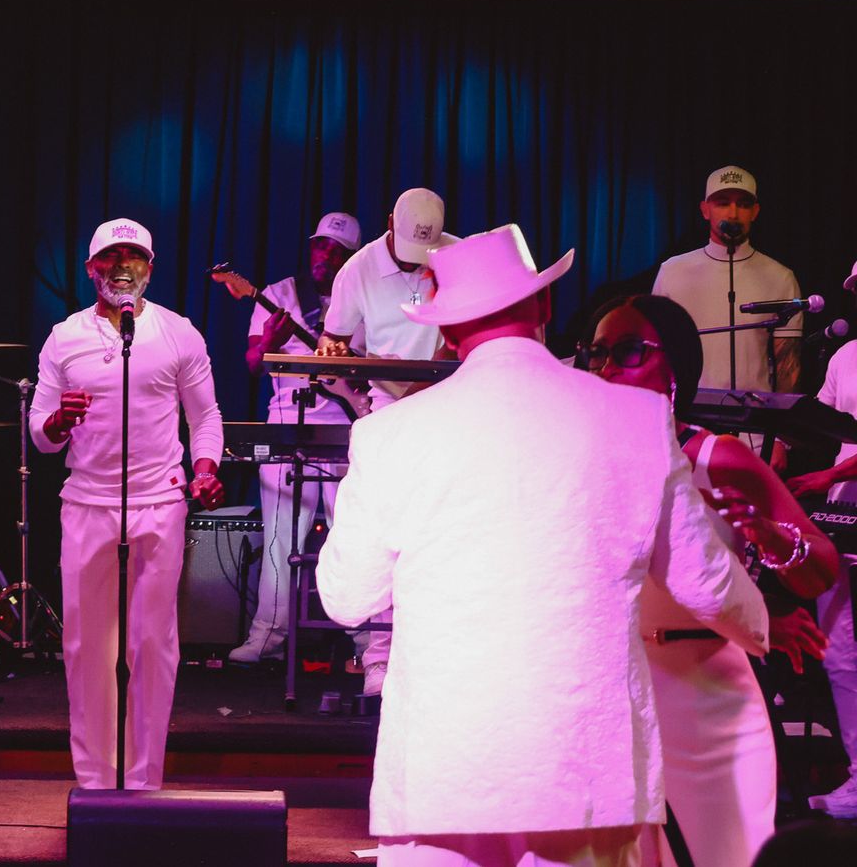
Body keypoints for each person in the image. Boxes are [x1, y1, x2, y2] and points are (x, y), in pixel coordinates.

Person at [318, 224, 768, 867]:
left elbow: (346, 597)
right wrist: (763, 630)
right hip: (587, 774)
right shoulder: (636, 421)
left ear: (447, 332)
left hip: (444, 770)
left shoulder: (388, 436)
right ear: (545, 305)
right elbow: (705, 583)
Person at [587, 294, 838, 865]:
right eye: (598, 353)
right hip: (612, 697)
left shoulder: (716, 457)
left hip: (707, 702)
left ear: (676, 367)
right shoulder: (582, 457)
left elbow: (820, 568)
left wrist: (772, 540)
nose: (607, 367)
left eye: (628, 351)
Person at [30, 217, 225, 790]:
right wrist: (58, 422)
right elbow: (39, 434)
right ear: (91, 269)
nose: (122, 267)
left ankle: (142, 782)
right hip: (87, 503)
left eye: (133, 257)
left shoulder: (179, 333)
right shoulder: (64, 337)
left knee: (152, 644)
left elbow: (206, 417)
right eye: (110, 258)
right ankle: (95, 783)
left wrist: (206, 468)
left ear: (150, 268)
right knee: (87, 648)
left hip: (159, 501)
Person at [315, 187, 459, 694]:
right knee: (386, 532)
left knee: (439, 532)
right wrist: (336, 352)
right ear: (390, 223)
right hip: (388, 408)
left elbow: (463, 332)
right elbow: (334, 338)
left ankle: (436, 654)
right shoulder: (357, 270)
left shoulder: (457, 255)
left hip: (448, 404)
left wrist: (429, 377)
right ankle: (379, 657)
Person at [229, 211, 362, 664]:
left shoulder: (361, 296)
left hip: (348, 428)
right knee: (280, 538)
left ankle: (368, 644)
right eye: (321, 245)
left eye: (338, 251)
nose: (326, 255)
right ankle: (268, 635)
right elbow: (253, 363)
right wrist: (270, 338)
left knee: (354, 535)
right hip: (288, 426)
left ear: (351, 258)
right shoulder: (278, 295)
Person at [652, 166, 801, 463]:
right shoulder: (673, 272)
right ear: (705, 210)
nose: (733, 213)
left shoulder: (780, 277)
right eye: (722, 203)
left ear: (755, 212)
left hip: (757, 437)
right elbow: (656, 356)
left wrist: (782, 439)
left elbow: (788, 366)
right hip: (687, 433)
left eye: (743, 204)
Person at [786, 256, 857, 819]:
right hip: (845, 511)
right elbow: (828, 427)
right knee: (839, 650)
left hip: (839, 489)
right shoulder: (844, 356)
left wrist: (827, 476)